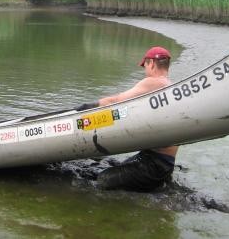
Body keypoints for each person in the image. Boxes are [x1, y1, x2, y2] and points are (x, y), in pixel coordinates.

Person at [77, 46, 179, 192]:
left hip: (155, 164)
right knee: (110, 168)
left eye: (145, 66)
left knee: (103, 180)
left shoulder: (153, 82)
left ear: (151, 63)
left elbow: (116, 101)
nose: (145, 70)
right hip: (161, 160)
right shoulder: (170, 87)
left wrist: (85, 108)